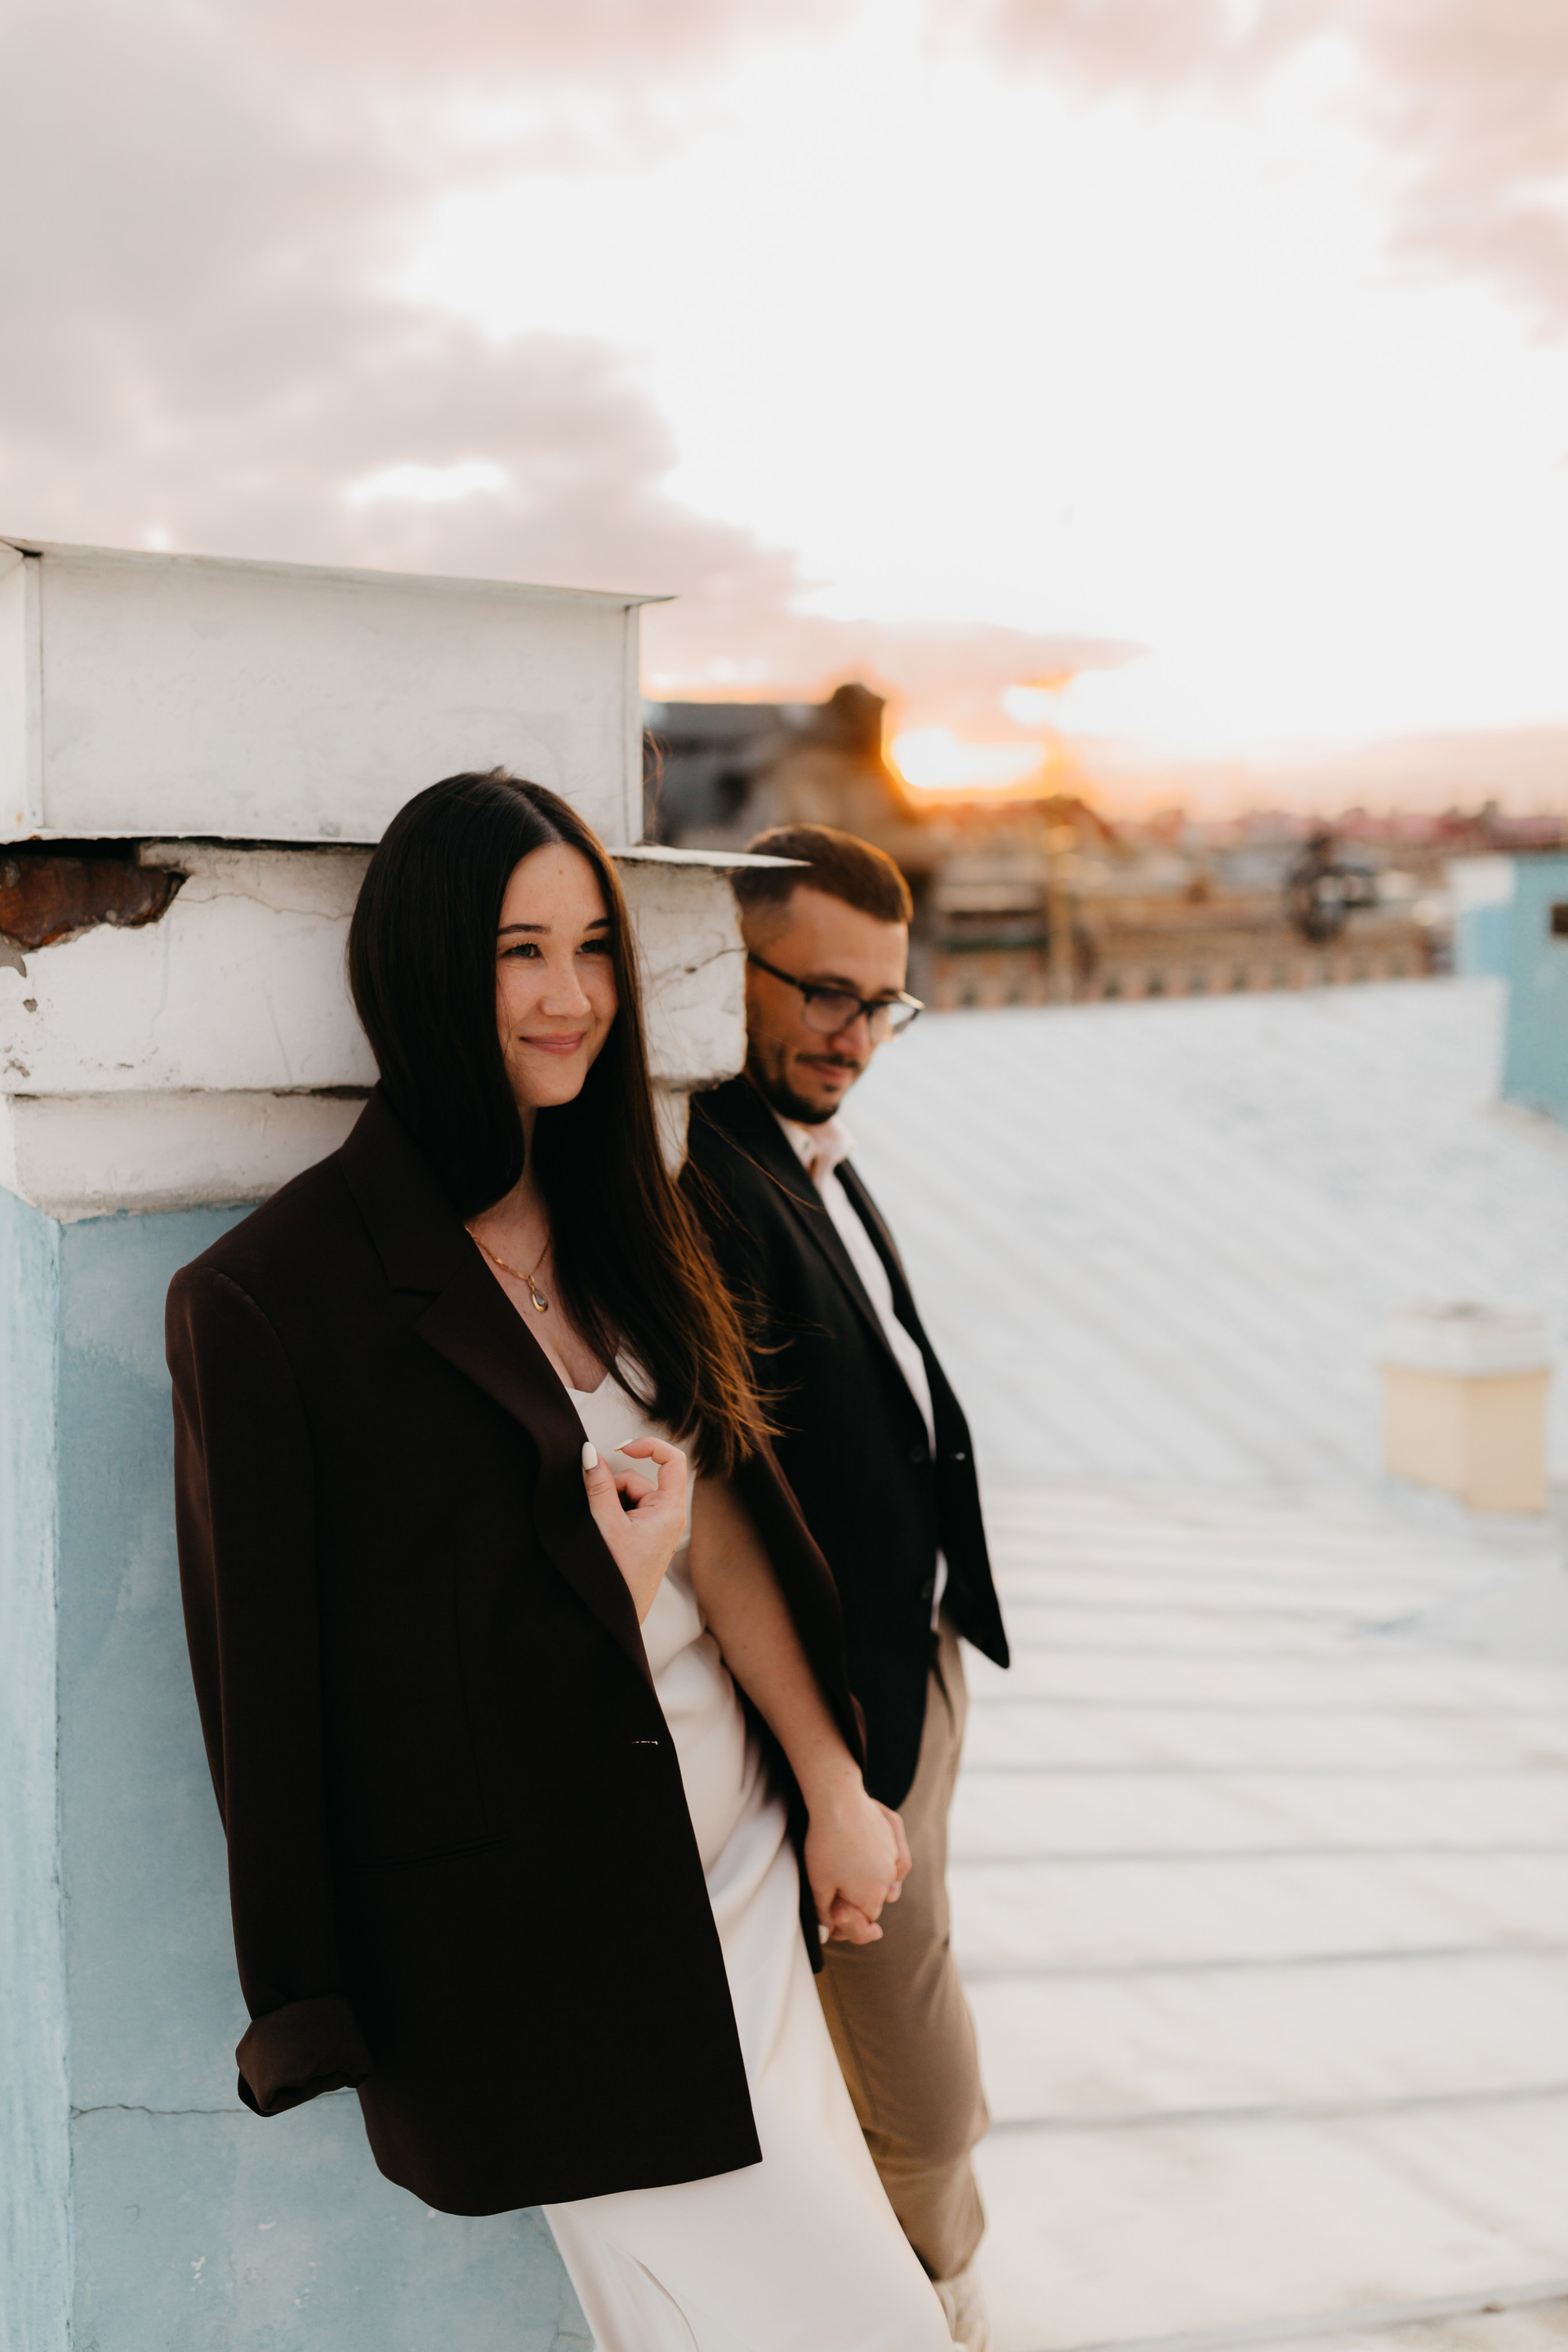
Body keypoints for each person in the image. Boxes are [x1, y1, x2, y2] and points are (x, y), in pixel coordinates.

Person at [167, 772, 953, 2351]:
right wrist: (300, 2003)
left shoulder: (629, 1213)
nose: (571, 997)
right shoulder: (270, 1303)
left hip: (743, 1872)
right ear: (423, 970)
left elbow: (728, 1523)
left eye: (593, 947)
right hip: (549, 1948)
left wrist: (832, 1786)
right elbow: (290, 1701)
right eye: (519, 951)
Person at [682, 824, 1010, 2352]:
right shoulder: (703, 1170)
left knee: (901, 2071)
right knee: (925, 2111)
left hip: (912, 1671)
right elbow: (727, 1503)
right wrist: (834, 1776)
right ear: (725, 967)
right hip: (845, 1726)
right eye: (823, 992)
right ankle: (936, 2314)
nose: (856, 1036)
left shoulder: (798, 1143)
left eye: (884, 1004)